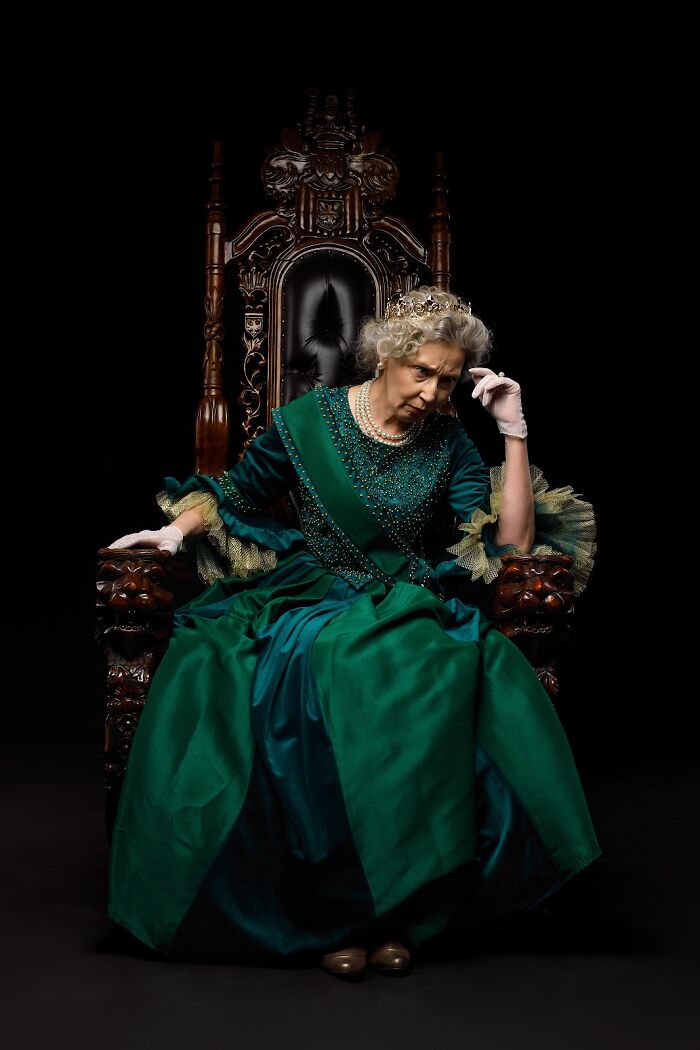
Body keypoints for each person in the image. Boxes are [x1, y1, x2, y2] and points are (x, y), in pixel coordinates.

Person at [107, 285, 601, 980]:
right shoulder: (308, 421)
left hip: (407, 598)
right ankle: (338, 913)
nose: (434, 393)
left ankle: (396, 914)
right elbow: (238, 494)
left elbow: (512, 544)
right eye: (423, 372)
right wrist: (171, 532)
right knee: (308, 670)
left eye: (449, 379)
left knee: (426, 672)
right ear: (385, 357)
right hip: (312, 593)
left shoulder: (452, 439)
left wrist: (512, 430)